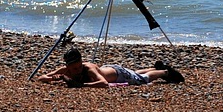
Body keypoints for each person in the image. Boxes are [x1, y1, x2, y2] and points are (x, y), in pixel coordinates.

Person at [34, 47, 184, 88]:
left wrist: (81, 85)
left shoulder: (88, 69)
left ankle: (164, 72)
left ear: (81, 62)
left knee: (142, 79)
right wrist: (54, 78)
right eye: (73, 69)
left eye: (78, 67)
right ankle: (154, 66)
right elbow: (41, 78)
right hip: (110, 69)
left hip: (118, 74)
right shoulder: (65, 70)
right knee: (135, 72)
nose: (76, 71)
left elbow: (103, 83)